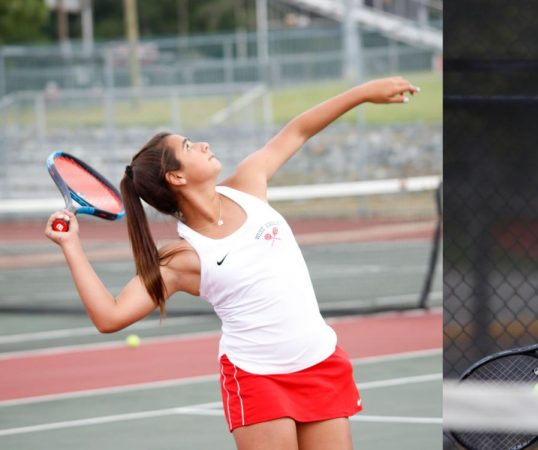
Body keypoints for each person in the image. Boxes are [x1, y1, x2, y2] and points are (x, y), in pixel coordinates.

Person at [44, 76, 420, 450]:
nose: (203, 144)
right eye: (190, 145)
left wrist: (364, 94)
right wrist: (71, 245)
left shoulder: (249, 184)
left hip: (320, 361)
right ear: (176, 176)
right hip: (258, 380)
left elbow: (299, 130)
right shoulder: (182, 257)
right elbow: (109, 317)